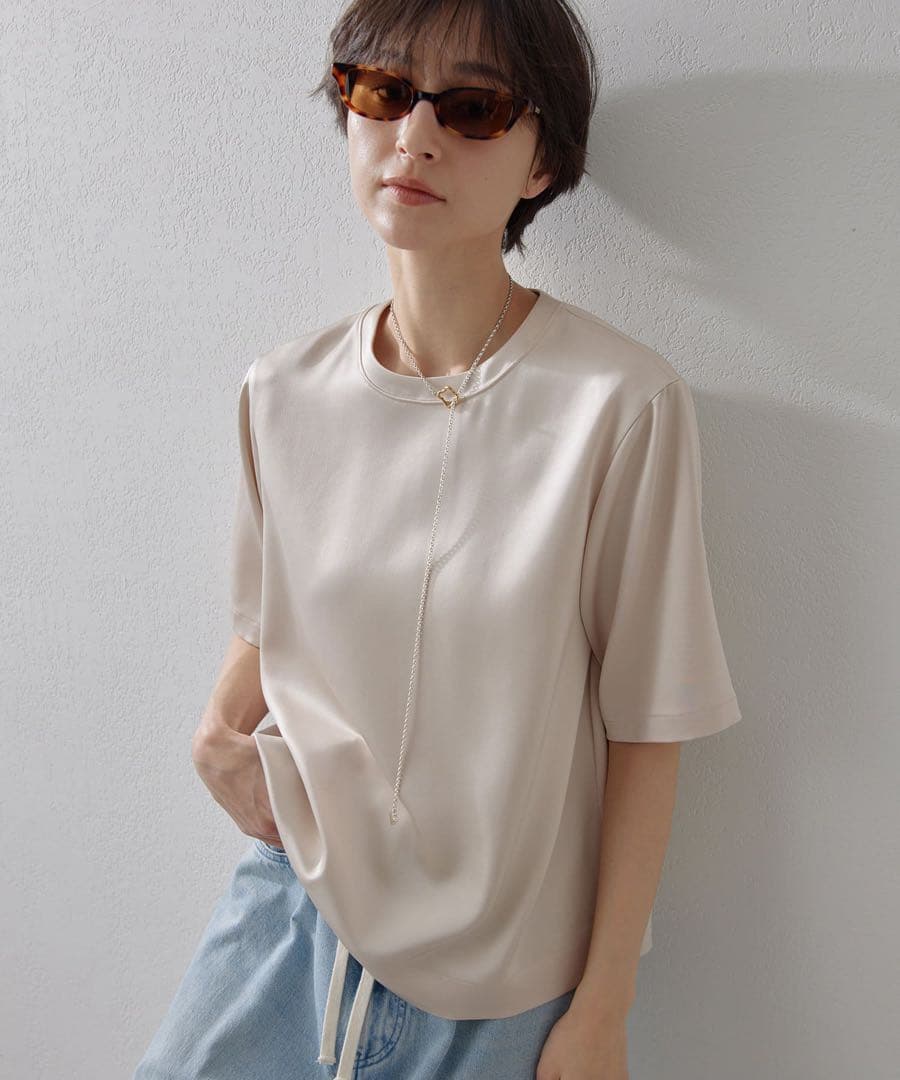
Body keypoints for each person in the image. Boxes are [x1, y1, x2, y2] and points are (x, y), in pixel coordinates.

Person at [134, 1, 742, 1078]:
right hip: (291, 918)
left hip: (502, 976)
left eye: (471, 108)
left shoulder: (619, 405)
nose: (414, 136)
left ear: (542, 163)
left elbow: (651, 721)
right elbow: (270, 620)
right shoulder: (282, 391)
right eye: (382, 91)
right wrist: (217, 736)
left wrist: (602, 1008)